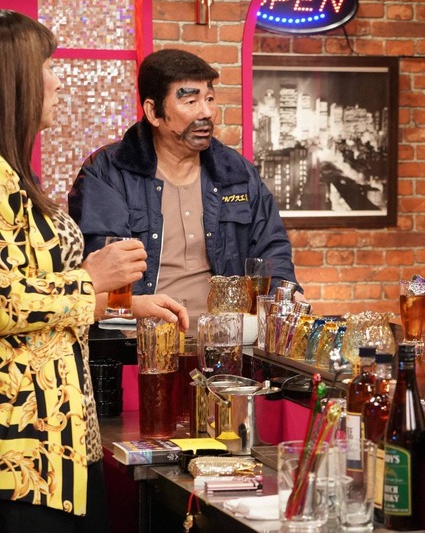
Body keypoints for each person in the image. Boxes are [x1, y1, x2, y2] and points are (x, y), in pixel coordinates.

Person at [0, 10, 188, 532]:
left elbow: (35, 291)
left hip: (61, 439)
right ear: (14, 79)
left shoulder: (16, 172)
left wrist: (125, 302)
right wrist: (91, 279)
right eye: (47, 67)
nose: (58, 80)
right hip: (19, 451)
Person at [68, 49, 303, 328]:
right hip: (138, 338)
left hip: (227, 336)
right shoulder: (108, 172)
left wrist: (285, 295)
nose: (206, 112)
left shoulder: (236, 173)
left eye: (210, 99)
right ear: (153, 112)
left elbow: (271, 248)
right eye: (191, 101)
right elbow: (102, 269)